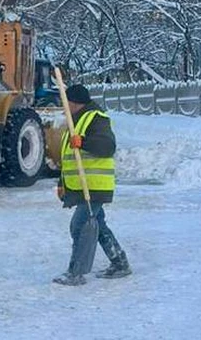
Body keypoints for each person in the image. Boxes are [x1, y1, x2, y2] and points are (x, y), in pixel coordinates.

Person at [53, 83, 131, 286]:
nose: (63, 106)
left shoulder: (96, 118)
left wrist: (84, 142)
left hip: (95, 185)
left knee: (79, 225)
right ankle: (120, 262)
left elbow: (108, 147)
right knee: (98, 225)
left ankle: (75, 272)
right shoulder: (74, 122)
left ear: (74, 102)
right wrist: (62, 183)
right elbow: (68, 157)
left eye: (66, 102)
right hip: (82, 186)